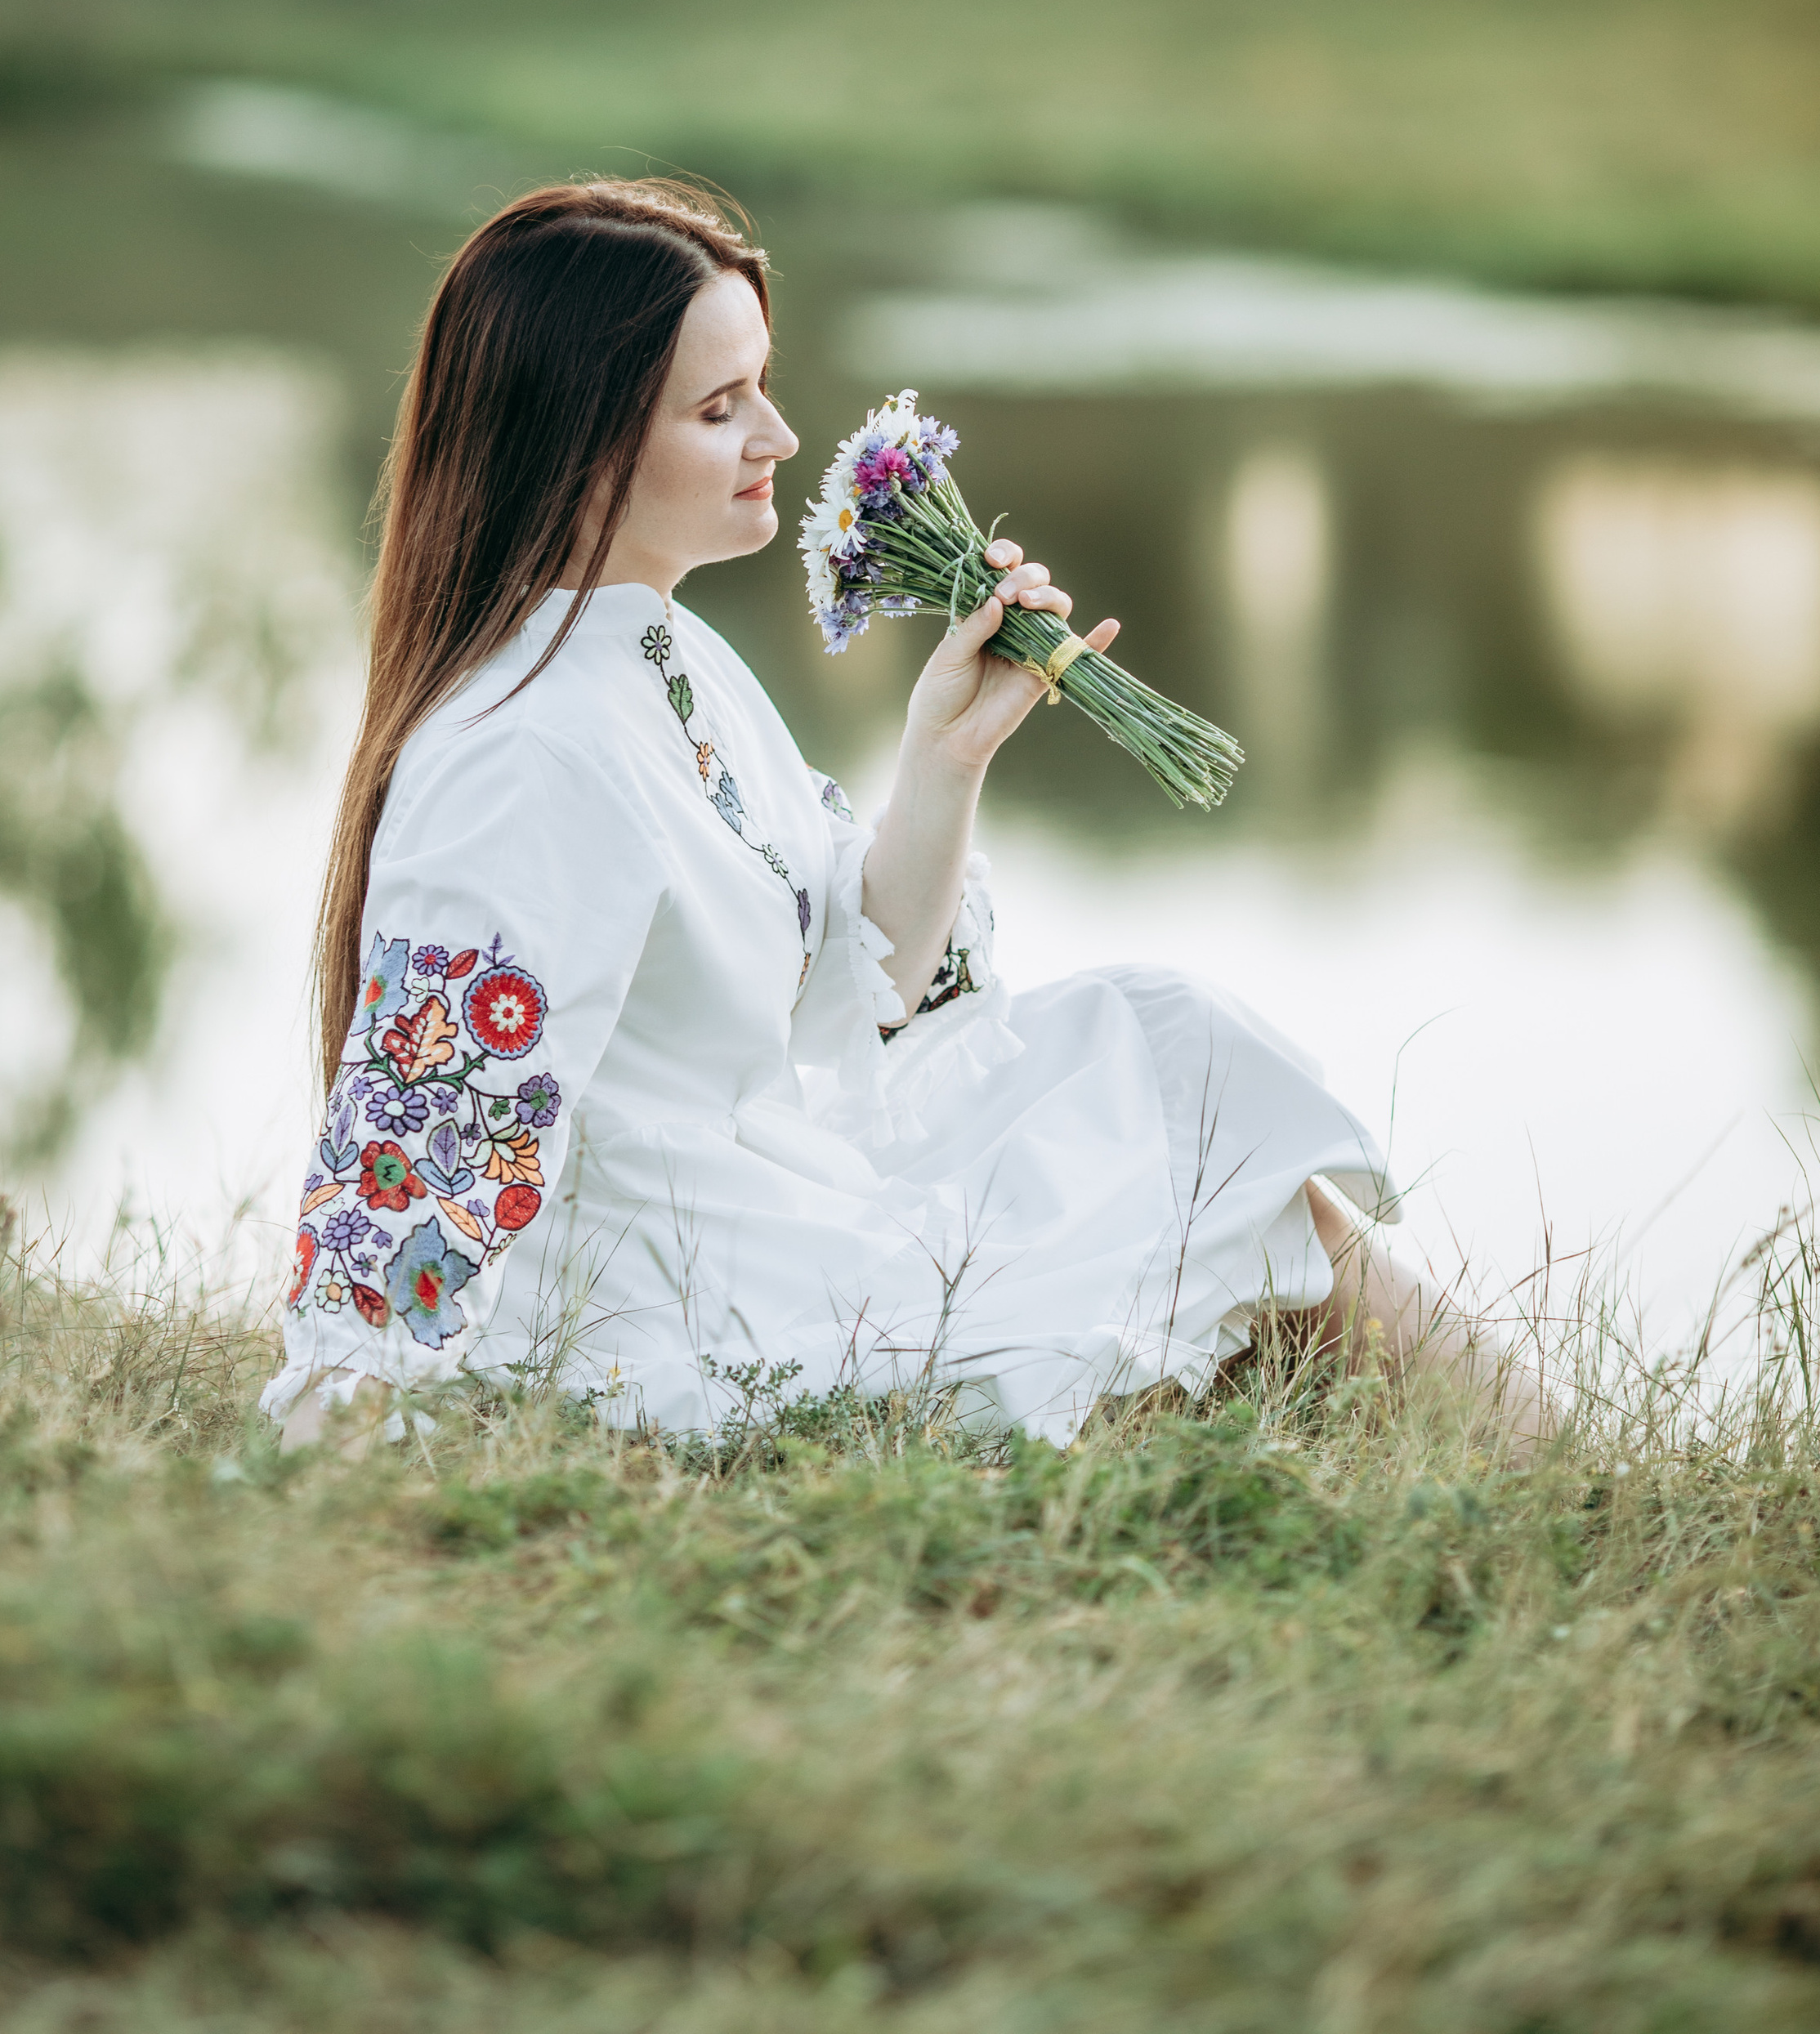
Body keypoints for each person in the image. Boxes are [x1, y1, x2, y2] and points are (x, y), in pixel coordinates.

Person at [266, 178, 1529, 1451]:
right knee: (1204, 1204)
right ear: (579, 446)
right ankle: (1539, 1486)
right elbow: (427, 1129)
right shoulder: (523, 754)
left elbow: (852, 991)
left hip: (773, 1204)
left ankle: (1524, 1489)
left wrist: (946, 754)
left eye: (760, 384)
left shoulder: (670, 661)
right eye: (720, 409)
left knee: (1178, 1080)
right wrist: (353, 1421)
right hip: (679, 1303)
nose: (778, 434)